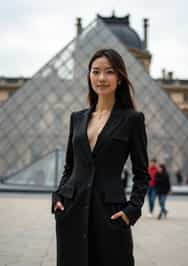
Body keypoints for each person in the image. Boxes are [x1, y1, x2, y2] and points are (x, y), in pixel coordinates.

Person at [51, 48, 150, 266]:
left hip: (111, 214)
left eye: (109, 72)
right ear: (89, 76)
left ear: (120, 78)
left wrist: (132, 210)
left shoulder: (132, 119)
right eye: (95, 72)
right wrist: (58, 196)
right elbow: (70, 166)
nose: (101, 78)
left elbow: (142, 174)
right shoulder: (76, 118)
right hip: (71, 211)